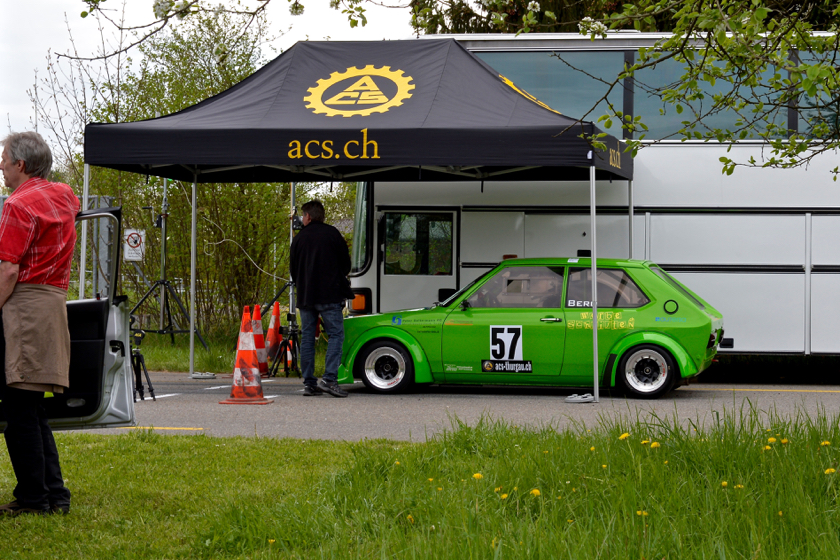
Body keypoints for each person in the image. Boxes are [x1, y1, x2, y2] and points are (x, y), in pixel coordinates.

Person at [0, 132, 78, 516]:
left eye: (4, 159)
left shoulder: (16, 204)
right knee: (33, 409)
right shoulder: (64, 195)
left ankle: (34, 500)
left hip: (26, 306)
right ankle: (54, 496)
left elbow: (9, 269)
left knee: (19, 413)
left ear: (20, 165)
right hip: (54, 301)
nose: (0, 165)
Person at [289, 199, 354, 398]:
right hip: (330, 294)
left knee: (308, 337)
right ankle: (329, 379)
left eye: (302, 215)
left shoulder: (299, 239)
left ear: (308, 216)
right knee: (335, 335)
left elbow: (293, 269)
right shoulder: (333, 234)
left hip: (307, 295)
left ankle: (309, 383)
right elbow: (346, 264)